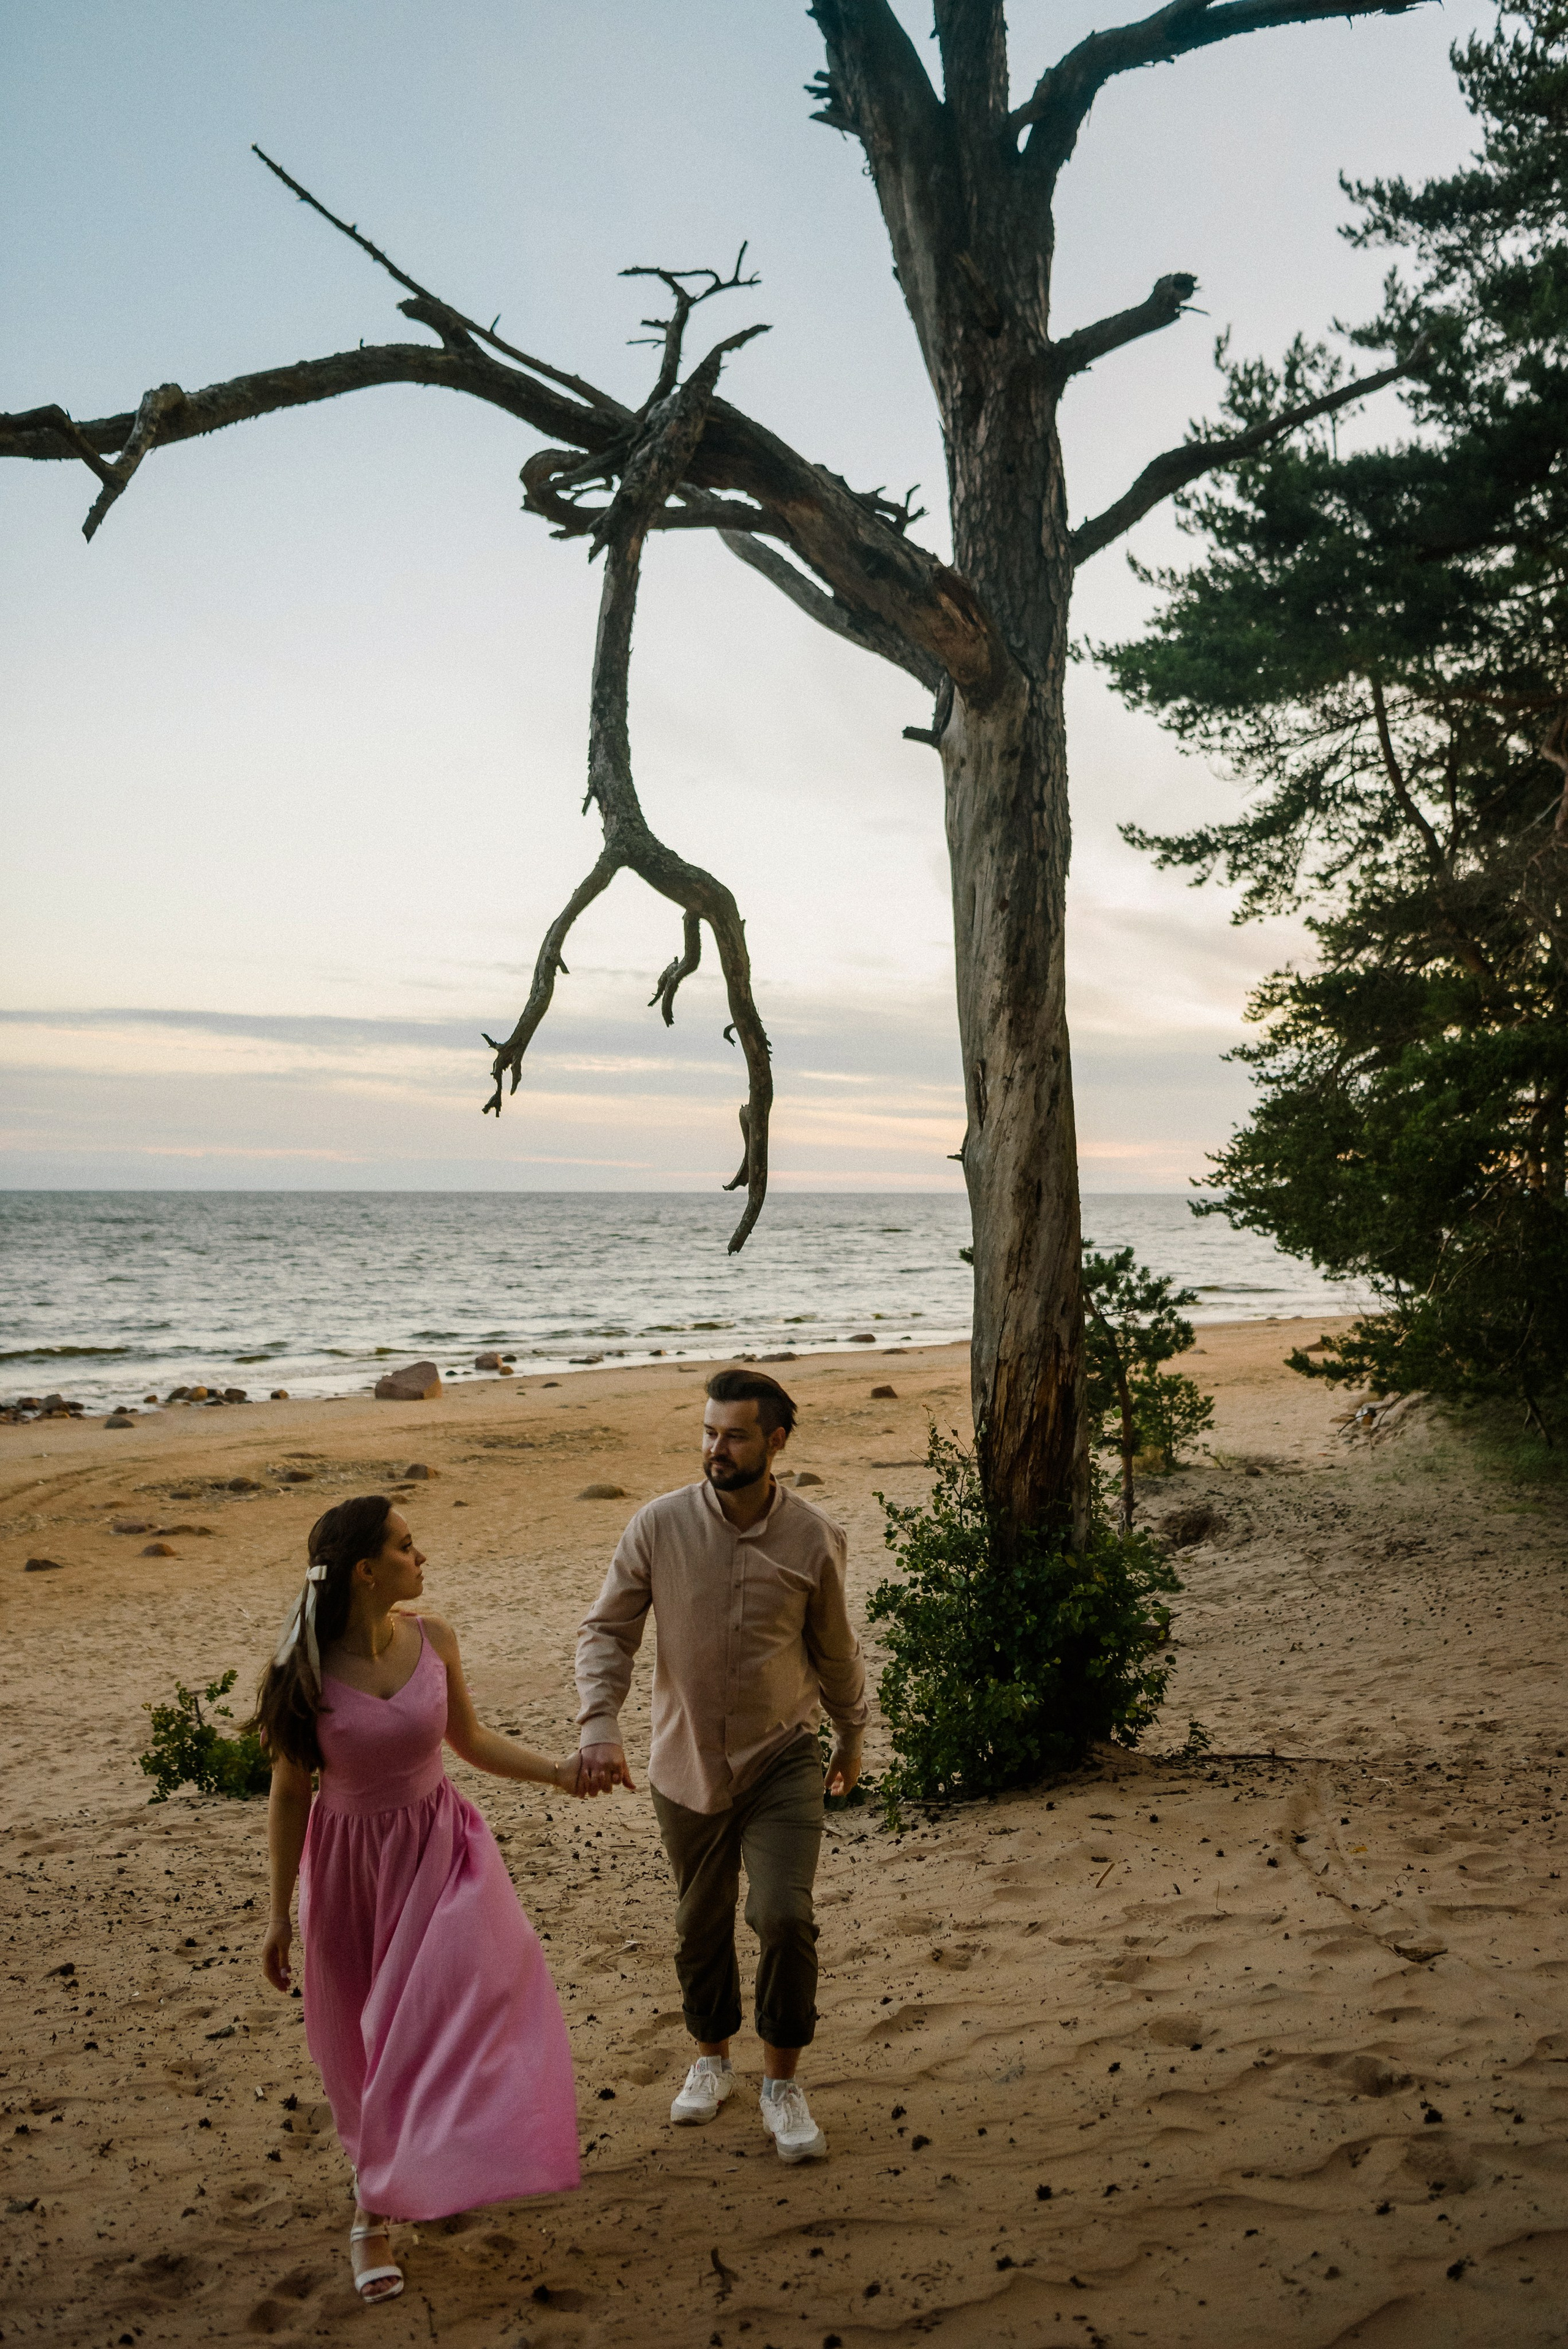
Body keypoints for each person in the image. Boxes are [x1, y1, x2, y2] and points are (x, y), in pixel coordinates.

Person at [254, 1496, 582, 2304]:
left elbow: (468, 1741)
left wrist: (559, 1771)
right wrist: (276, 1914)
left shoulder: (436, 1640)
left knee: (445, 2018)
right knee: (357, 2050)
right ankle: (380, 2194)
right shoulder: (304, 1668)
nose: (421, 1557)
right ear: (368, 1571)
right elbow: (290, 1795)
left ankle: (379, 2209)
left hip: (443, 1856)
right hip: (347, 1872)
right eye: (407, 1546)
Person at [574, 1367, 867, 2164]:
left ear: (775, 1441)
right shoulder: (657, 1526)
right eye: (708, 1432)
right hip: (686, 1763)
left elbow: (836, 1653)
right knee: (698, 1925)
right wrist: (600, 1723)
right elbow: (607, 1632)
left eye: (734, 1434)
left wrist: (853, 1734)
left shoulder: (813, 1537)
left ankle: (782, 2082)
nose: (716, 1448)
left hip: (782, 1758)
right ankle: (711, 2060)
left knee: (783, 1916)